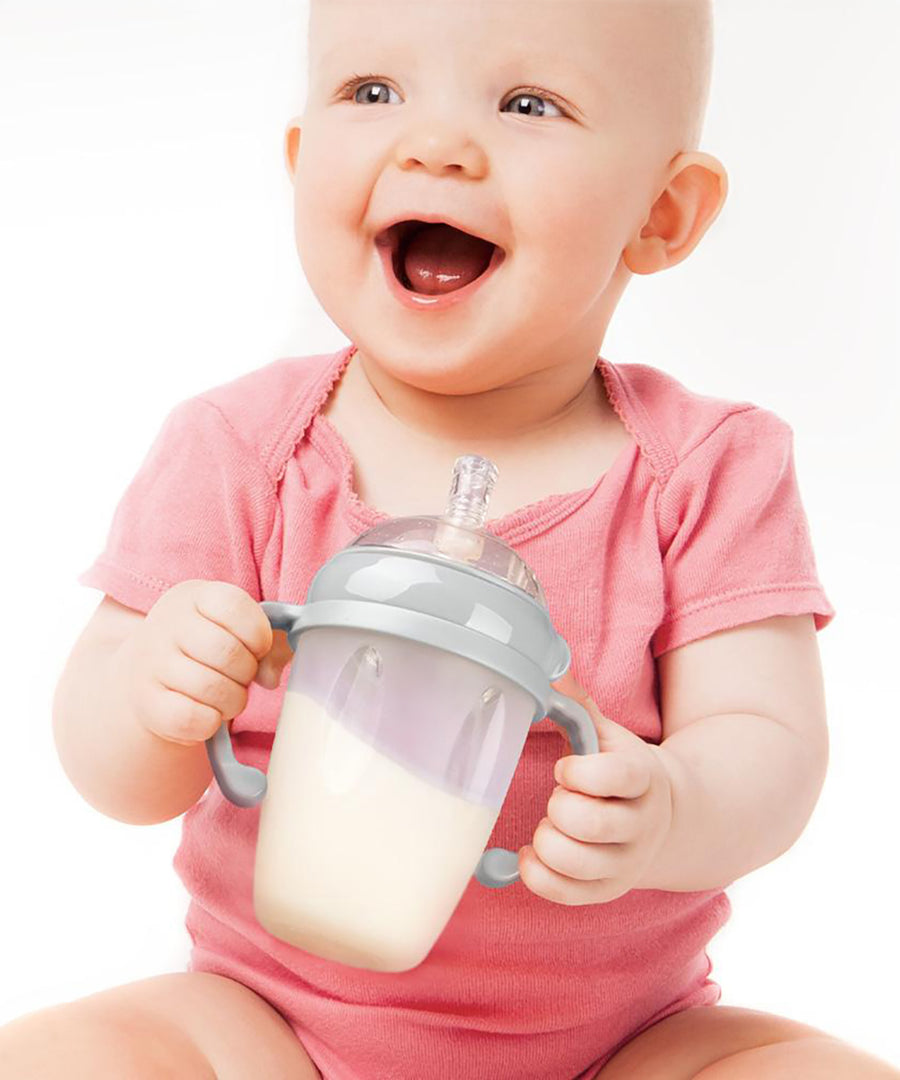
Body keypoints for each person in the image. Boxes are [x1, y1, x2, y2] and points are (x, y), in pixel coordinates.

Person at [2, 0, 897, 1077]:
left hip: (624, 1049)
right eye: (372, 92)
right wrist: (153, 684)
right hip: (270, 1024)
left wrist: (675, 807)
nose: (433, 145)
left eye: (528, 102)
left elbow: (771, 746)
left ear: (661, 212)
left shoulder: (706, 470)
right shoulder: (241, 448)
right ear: (298, 159)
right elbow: (110, 772)